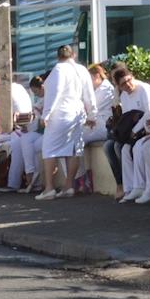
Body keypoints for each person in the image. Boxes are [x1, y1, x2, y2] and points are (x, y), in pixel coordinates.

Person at [36, 45, 91, 199]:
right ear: (73, 55)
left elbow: (54, 93)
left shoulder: (58, 70)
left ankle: (49, 188)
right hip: (78, 113)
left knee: (49, 149)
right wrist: (92, 114)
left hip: (60, 114)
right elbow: (89, 94)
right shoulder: (82, 70)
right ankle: (69, 186)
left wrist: (45, 115)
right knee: (73, 149)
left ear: (58, 56)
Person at [112, 62, 150, 205]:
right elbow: (127, 118)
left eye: (129, 80)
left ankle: (147, 186)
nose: (128, 85)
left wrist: (134, 130)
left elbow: (149, 113)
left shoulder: (144, 89)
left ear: (132, 76)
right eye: (123, 84)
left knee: (138, 148)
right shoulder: (124, 96)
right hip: (138, 130)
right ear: (119, 86)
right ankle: (132, 187)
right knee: (124, 150)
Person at [80, 62, 121, 198]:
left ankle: (84, 178)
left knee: (78, 141)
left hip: (103, 126)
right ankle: (83, 175)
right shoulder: (97, 90)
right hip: (95, 124)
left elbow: (91, 108)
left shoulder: (105, 90)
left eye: (89, 79)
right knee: (75, 142)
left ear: (97, 76)